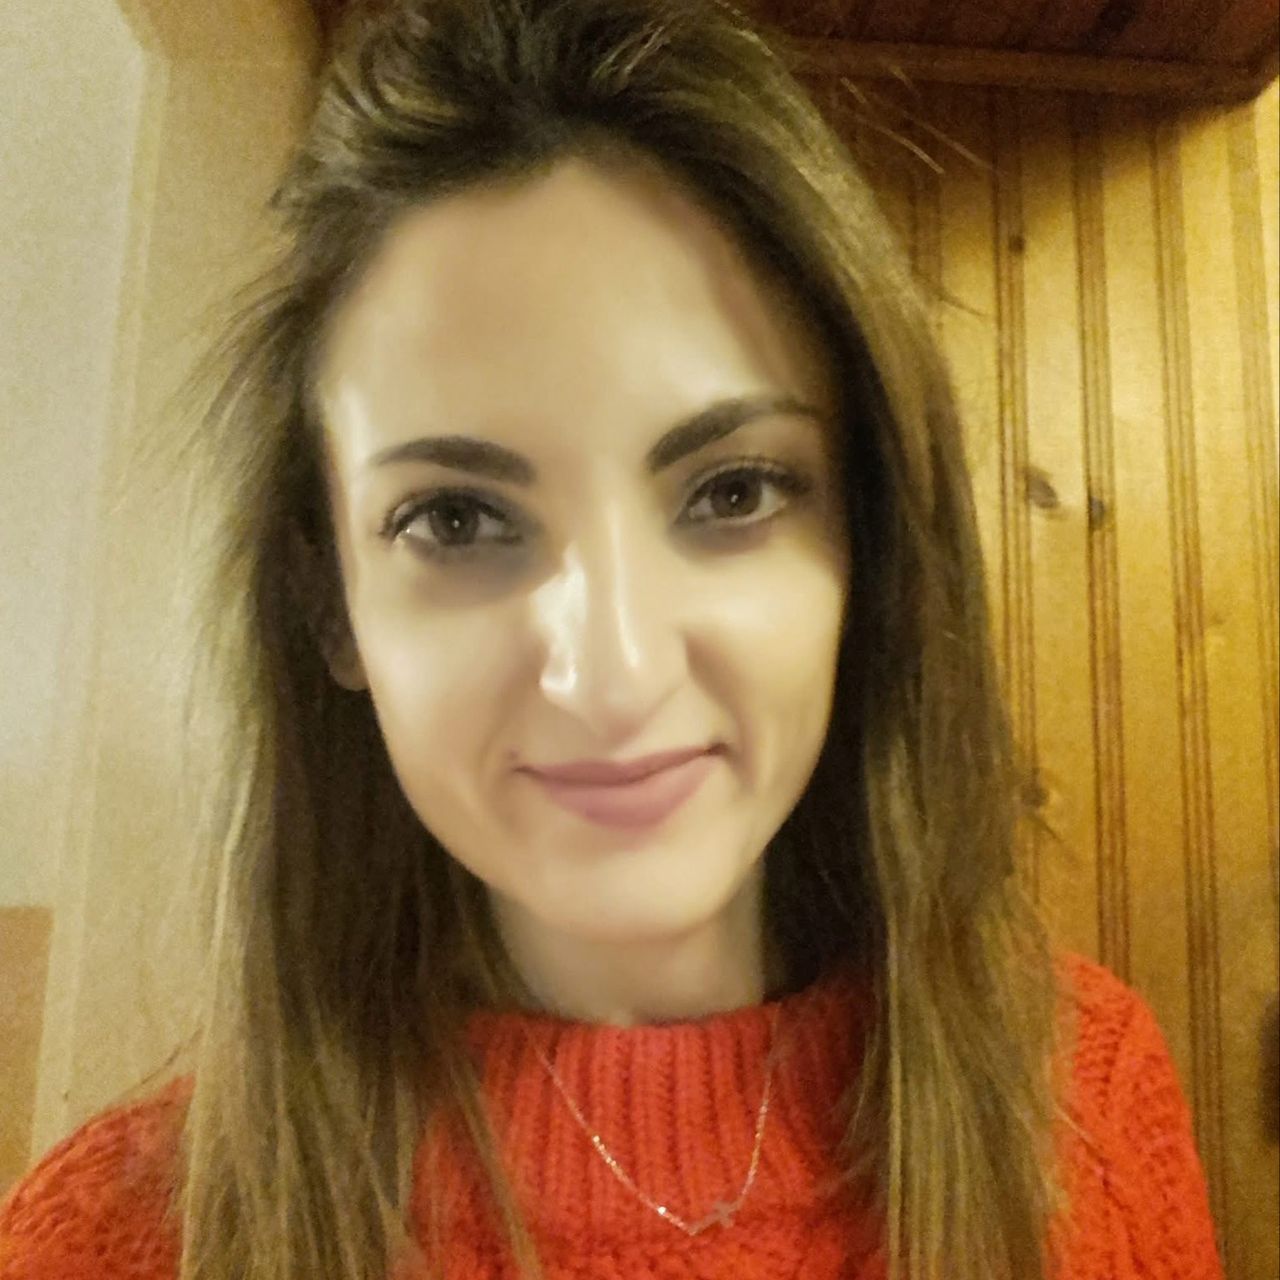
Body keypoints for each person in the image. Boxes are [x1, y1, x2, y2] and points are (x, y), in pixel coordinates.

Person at [0, 1, 1224, 1278]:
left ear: (866, 546)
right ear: (329, 604)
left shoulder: (1083, 1103)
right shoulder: (107, 1245)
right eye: (456, 517)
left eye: (732, 491)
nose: (611, 673)